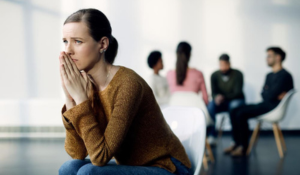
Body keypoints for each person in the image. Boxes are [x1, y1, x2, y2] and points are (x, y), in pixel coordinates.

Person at [58, 9, 192, 175]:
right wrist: (71, 100)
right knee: (68, 168)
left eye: (77, 41)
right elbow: (77, 152)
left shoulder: (128, 84)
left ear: (103, 44)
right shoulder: (87, 85)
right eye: (65, 41)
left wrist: (81, 100)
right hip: (135, 165)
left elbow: (100, 157)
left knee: (88, 172)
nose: (68, 50)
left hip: (167, 166)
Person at [224, 47, 294, 157]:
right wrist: (271, 93)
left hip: (273, 108)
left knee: (241, 113)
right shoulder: (269, 75)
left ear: (278, 57)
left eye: (269, 56)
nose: (267, 58)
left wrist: (269, 92)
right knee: (234, 110)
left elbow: (269, 95)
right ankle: (236, 143)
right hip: (266, 104)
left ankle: (243, 147)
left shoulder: (285, 75)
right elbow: (265, 94)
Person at [207, 54, 245, 145]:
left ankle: (236, 138)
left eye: (225, 65)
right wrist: (216, 97)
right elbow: (213, 92)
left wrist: (223, 97)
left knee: (234, 106)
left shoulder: (238, 74)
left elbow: (237, 92)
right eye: (221, 65)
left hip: (235, 100)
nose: (223, 67)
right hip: (221, 102)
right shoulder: (214, 75)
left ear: (229, 64)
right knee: (210, 106)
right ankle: (211, 135)